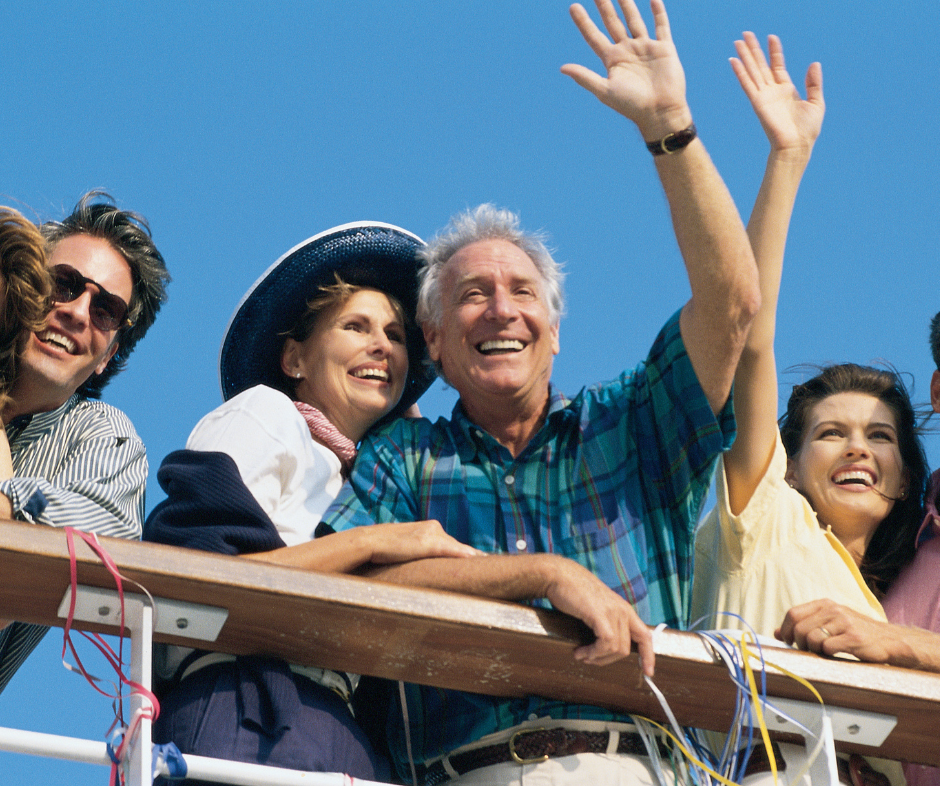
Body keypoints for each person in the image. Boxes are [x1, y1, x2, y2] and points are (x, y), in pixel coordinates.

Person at [321, 0, 760, 782]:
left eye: (522, 291)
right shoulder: (402, 458)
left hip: (632, 767)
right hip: (465, 771)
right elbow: (356, 578)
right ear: (437, 344)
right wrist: (544, 574)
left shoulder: (631, 424)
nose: (501, 309)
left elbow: (732, 303)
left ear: (554, 331)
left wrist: (669, 126)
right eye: (472, 296)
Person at [144, 222, 481, 781]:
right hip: (246, 707)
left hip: (343, 730)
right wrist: (375, 542)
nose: (383, 346)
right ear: (295, 360)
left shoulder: (372, 478)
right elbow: (195, 574)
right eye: (357, 326)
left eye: (397, 336)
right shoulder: (265, 414)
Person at [688, 33, 921, 785]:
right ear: (790, 461)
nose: (858, 450)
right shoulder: (764, 514)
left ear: (905, 474)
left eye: (879, 436)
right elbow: (749, 335)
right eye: (831, 434)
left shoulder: (886, 611)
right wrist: (786, 160)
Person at [0, 190, 170, 693]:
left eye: (106, 309)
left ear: (107, 356)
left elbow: (102, 542)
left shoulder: (104, 435)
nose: (77, 312)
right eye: (63, 284)